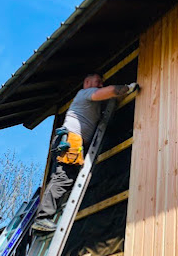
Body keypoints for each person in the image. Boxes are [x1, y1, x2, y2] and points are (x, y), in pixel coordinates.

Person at [31, 73, 138, 232]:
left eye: (102, 83)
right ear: (87, 82)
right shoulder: (85, 93)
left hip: (71, 142)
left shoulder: (90, 103)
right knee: (63, 178)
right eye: (98, 82)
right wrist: (126, 88)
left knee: (66, 178)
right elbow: (109, 91)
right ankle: (42, 218)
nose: (100, 85)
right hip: (71, 141)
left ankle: (48, 215)